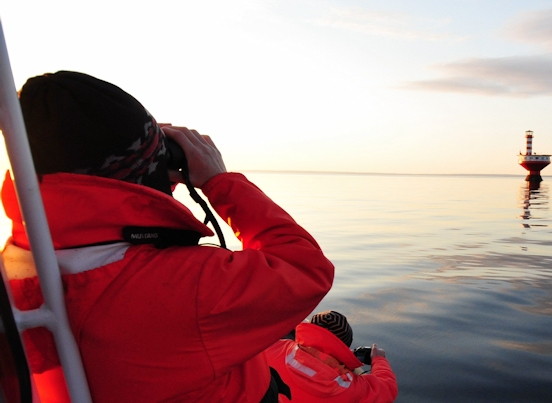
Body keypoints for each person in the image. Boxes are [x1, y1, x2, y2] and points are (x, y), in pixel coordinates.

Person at [1, 71, 335, 402]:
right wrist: (219, 180)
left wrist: (147, 191)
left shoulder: (15, 273)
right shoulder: (190, 288)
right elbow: (307, 268)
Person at [265, 311, 398, 403]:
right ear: (345, 347)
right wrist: (379, 359)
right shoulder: (352, 388)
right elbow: (387, 388)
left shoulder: (272, 348)